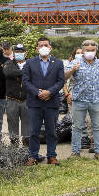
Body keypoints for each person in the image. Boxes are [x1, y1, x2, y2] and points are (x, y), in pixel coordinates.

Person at [22, 37, 65, 165]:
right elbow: (26, 82)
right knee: (34, 131)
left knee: (51, 131)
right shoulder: (29, 63)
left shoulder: (58, 63)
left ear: (50, 47)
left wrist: (49, 92)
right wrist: (38, 92)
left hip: (52, 102)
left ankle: (51, 156)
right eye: (40, 45)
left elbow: (61, 81)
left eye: (45, 45)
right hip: (35, 103)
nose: (43, 47)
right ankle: (33, 156)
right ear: (37, 48)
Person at [65, 39, 99, 160]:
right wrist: (73, 70)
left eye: (92, 50)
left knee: (97, 127)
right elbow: (64, 77)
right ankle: (75, 152)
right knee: (77, 127)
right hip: (79, 100)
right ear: (83, 50)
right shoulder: (75, 62)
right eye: (87, 50)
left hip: (97, 100)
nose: (90, 52)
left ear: (96, 50)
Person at [2, 44, 30, 147]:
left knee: (27, 126)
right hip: (12, 100)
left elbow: (33, 74)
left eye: (21, 51)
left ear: (25, 53)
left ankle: (26, 149)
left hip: (27, 100)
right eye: (17, 51)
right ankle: (14, 147)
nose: (19, 53)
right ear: (13, 53)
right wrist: (24, 72)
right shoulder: (8, 63)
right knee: (12, 124)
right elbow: (8, 72)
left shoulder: (31, 64)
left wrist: (18, 73)